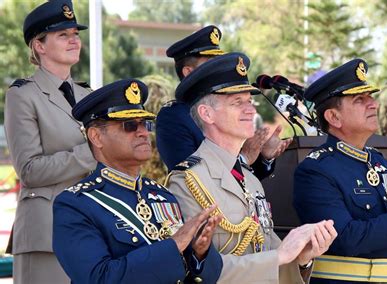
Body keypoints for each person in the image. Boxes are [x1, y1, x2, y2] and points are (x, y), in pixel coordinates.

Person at [167, 52, 337, 283]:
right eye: (238, 102)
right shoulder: (187, 180)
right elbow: (197, 270)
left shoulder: (250, 178)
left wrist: (301, 258)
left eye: (249, 101)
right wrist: (281, 255)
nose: (251, 110)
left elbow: (268, 253)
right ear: (207, 114)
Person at [52, 79, 223, 283]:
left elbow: (209, 276)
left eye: (145, 124)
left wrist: (198, 254)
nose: (143, 132)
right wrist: (173, 246)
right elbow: (98, 278)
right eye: (129, 125)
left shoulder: (162, 195)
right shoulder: (75, 205)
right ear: (96, 137)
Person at [293, 58, 387, 283]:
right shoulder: (315, 171)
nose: (373, 104)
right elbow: (344, 238)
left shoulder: (379, 162)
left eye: (370, 97)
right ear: (333, 117)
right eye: (359, 99)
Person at [4, 1, 96, 283]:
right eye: (63, 35)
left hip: (91, 227)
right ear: (39, 46)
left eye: (75, 34)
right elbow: (29, 170)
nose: (74, 40)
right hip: (47, 232)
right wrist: (91, 152)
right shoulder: (23, 95)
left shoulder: (88, 95)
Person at [156, 25, 290, 179]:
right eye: (209, 65)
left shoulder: (227, 108)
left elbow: (244, 178)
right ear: (188, 72)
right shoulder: (174, 116)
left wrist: (263, 157)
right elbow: (190, 176)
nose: (216, 71)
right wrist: (244, 158)